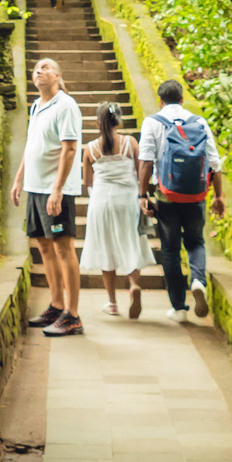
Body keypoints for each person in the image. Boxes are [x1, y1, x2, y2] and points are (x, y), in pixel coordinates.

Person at [139, 79, 227, 318]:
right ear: (182, 99)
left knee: (169, 250)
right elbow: (214, 163)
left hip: (165, 196)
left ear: (160, 100)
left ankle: (178, 307)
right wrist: (218, 196)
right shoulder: (198, 122)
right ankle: (198, 281)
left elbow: (146, 162)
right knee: (196, 242)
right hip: (196, 195)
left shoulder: (152, 122)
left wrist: (143, 195)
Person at [12, 57, 86, 336]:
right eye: (35, 69)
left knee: (63, 248)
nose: (38, 71)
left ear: (57, 74)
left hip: (56, 190)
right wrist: (19, 178)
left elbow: (69, 149)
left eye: (44, 67)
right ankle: (56, 306)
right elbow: (32, 145)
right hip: (35, 187)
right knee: (43, 246)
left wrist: (57, 189)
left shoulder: (66, 105)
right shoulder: (36, 105)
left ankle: (73, 316)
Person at [79, 105, 149, 319]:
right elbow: (141, 173)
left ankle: (112, 303)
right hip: (127, 201)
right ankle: (133, 285)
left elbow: (86, 182)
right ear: (118, 121)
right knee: (130, 244)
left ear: (97, 123)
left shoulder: (90, 148)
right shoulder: (131, 143)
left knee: (105, 249)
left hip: (101, 203)